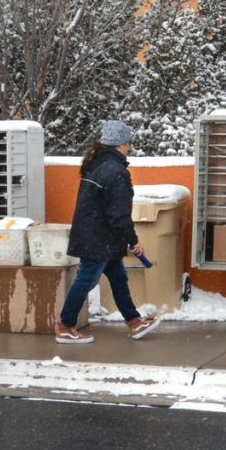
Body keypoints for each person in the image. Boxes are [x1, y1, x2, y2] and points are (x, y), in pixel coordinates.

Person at [55, 120, 160, 344]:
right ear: (121, 144)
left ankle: (134, 321)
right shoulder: (116, 172)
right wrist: (133, 241)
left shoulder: (96, 165)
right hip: (99, 239)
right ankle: (65, 325)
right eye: (128, 143)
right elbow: (119, 214)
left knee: (119, 278)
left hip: (98, 236)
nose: (129, 147)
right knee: (85, 281)